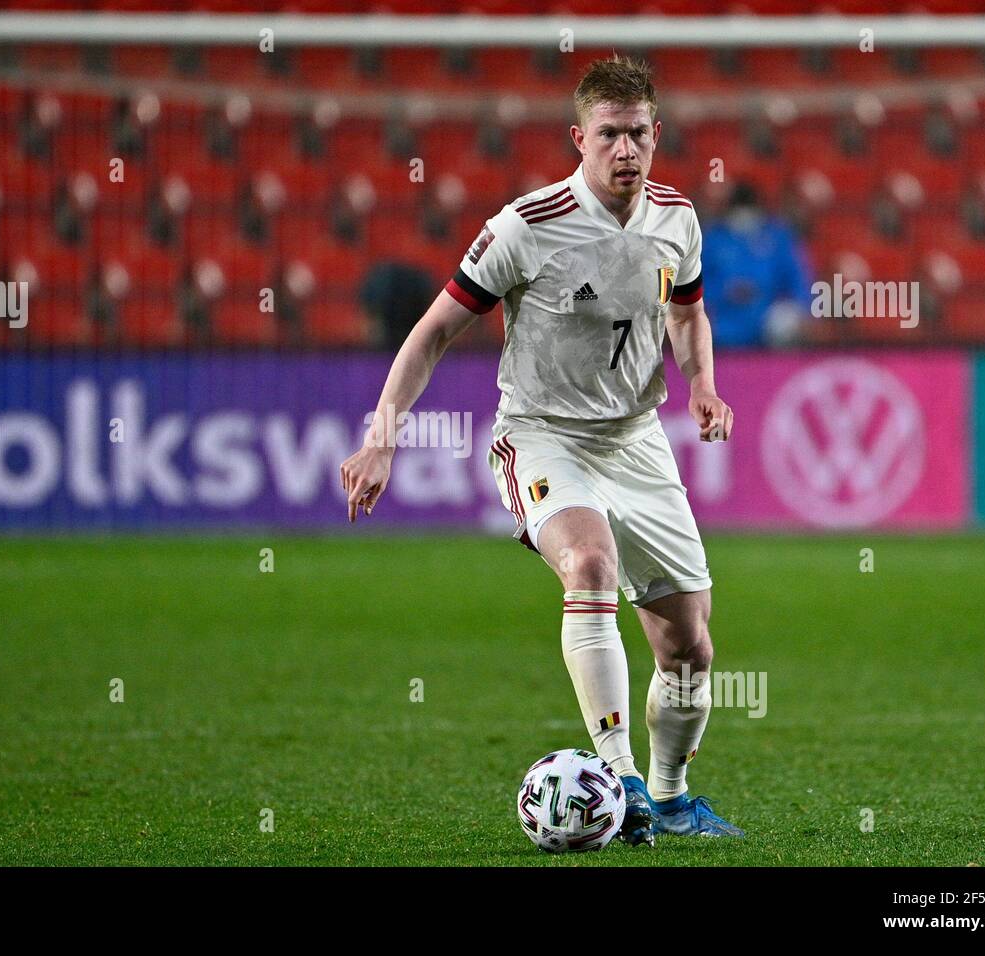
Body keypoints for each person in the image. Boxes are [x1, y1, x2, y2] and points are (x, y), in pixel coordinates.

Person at [340, 55, 743, 845]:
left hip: (636, 440)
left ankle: (668, 794)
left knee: (689, 646)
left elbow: (688, 314)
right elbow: (433, 333)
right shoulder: (527, 226)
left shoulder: (678, 219)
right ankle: (619, 777)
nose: (625, 150)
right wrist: (381, 437)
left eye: (638, 135)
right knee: (588, 563)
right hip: (542, 435)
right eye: (608, 136)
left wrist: (702, 385)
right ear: (579, 139)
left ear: (657, 135)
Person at [701, 181, 812, 347]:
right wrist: (725, 291)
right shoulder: (712, 238)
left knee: (784, 319)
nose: (744, 215)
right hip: (724, 322)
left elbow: (798, 279)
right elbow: (696, 283)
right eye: (739, 209)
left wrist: (804, 308)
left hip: (768, 318)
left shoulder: (777, 236)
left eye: (748, 208)